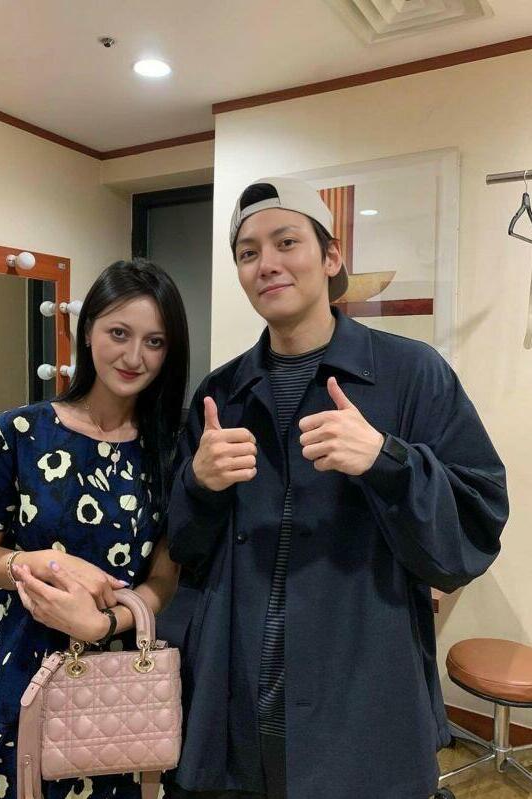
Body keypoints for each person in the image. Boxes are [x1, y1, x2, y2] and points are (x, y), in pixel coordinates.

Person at [163, 177, 509, 799]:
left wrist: (387, 459)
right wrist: (199, 484)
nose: (266, 264)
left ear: (330, 256)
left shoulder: (411, 374)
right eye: (247, 252)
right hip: (238, 700)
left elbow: (473, 534)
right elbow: (184, 547)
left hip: (363, 701)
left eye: (286, 242)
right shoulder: (222, 393)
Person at [0, 258, 189, 799]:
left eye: (154, 342)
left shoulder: (172, 448)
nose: (134, 357)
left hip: (121, 676)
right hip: (22, 665)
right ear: (87, 331)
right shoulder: (18, 430)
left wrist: (103, 624)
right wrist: (40, 563)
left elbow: (164, 580)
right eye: (119, 333)